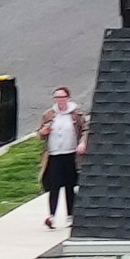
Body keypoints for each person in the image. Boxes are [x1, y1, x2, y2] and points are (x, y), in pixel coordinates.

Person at [37, 85, 90, 229]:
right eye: (57, 97)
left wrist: (82, 142)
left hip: (70, 154)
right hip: (54, 154)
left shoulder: (76, 114)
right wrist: (44, 131)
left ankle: (70, 216)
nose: (60, 100)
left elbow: (86, 129)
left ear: (68, 98)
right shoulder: (49, 114)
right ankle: (52, 216)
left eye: (62, 97)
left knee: (69, 186)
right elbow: (39, 133)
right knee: (54, 186)